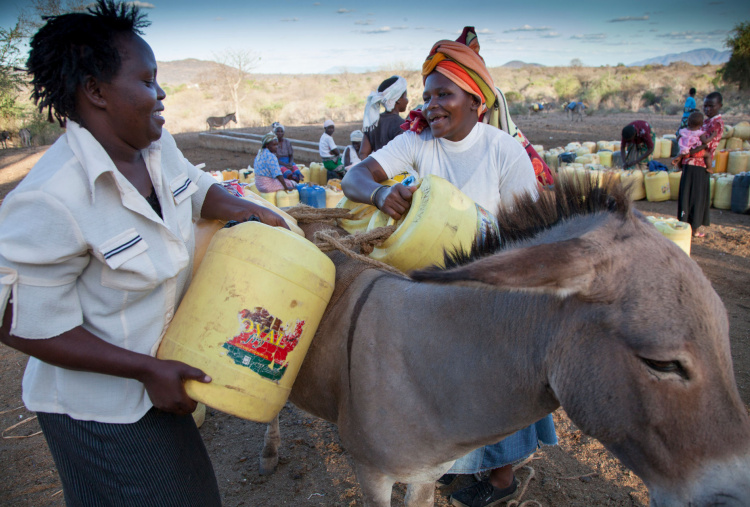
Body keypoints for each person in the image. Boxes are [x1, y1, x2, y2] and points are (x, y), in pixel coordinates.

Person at [0, 3, 289, 505]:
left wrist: (243, 207)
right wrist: (144, 370)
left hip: (153, 379)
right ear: (96, 92)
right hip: (100, 408)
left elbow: (195, 188)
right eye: (148, 80)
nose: (161, 95)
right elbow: (18, 320)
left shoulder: (155, 147)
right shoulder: (52, 196)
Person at [341, 26, 557, 507]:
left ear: (476, 100)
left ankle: (499, 482)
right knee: (435, 391)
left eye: (444, 94)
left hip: (491, 289)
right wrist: (379, 192)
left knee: (492, 391)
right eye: (427, 95)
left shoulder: (503, 151)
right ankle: (448, 469)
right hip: (426, 291)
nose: (431, 105)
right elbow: (354, 177)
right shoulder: (416, 144)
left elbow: (527, 233)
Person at [677, 91, 724, 238]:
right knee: (688, 195)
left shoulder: (716, 124)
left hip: (699, 164)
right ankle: (685, 226)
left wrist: (688, 151)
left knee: (695, 197)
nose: (708, 109)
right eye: (705, 106)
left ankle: (693, 228)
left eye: (711, 106)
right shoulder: (704, 120)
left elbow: (709, 145)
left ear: (720, 106)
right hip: (690, 162)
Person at [359, 75, 409, 159]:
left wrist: (372, 170)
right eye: (405, 97)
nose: (407, 100)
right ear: (398, 100)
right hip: (395, 171)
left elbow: (363, 153)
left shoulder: (373, 122)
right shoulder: (401, 124)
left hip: (376, 169)